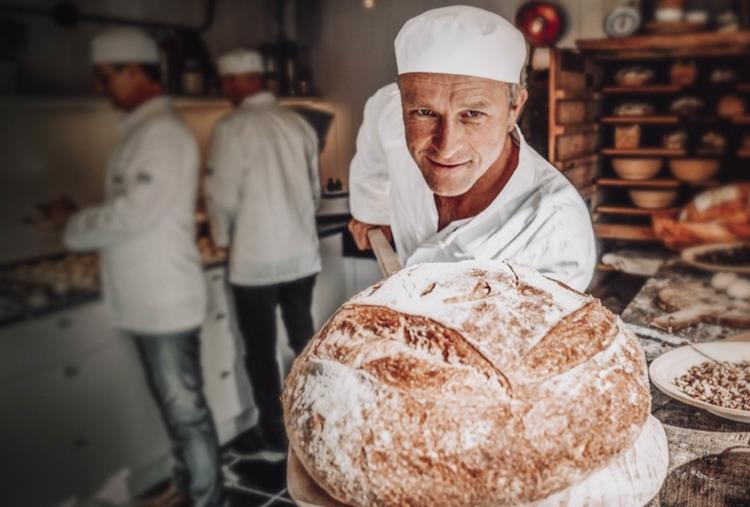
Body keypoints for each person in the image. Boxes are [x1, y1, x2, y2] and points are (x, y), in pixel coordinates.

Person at [63, 27, 223, 507]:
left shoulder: (163, 133)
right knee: (174, 409)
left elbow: (135, 212)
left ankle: (207, 498)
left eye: (105, 77)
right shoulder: (144, 132)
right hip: (149, 299)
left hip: (165, 301)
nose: (99, 88)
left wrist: (74, 226)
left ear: (135, 72)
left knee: (186, 410)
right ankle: (187, 485)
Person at [347, 5, 596, 292]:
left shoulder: (554, 232)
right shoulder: (389, 111)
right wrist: (373, 212)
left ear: (514, 109)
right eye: (424, 112)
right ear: (403, 101)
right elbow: (373, 154)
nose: (446, 147)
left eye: (473, 114)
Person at [206, 49, 321, 454]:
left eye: (226, 83)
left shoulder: (231, 128)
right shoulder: (297, 123)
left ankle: (274, 432)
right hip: (302, 255)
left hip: (255, 260)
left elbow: (221, 197)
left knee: (259, 348)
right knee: (303, 340)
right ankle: (313, 417)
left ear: (238, 82)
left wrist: (219, 239)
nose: (225, 90)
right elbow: (314, 190)